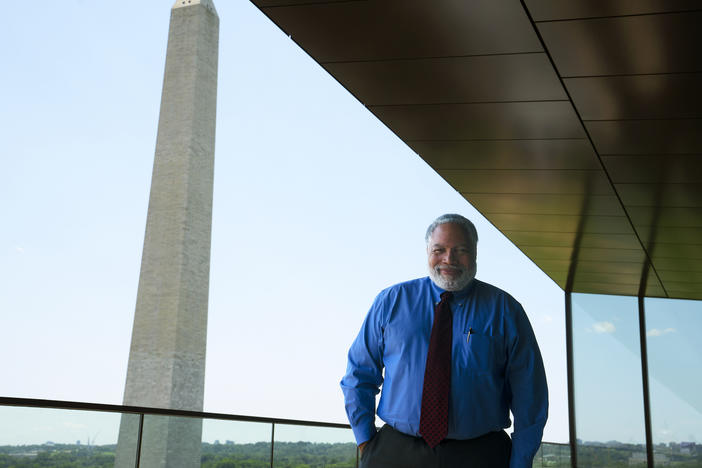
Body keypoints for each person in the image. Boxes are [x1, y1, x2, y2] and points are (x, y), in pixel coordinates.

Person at [340, 214, 548, 468]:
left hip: (481, 455)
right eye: (439, 250)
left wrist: (521, 460)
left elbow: (530, 394)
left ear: (475, 254)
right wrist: (365, 442)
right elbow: (359, 374)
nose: (449, 259)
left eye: (461, 250)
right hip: (394, 452)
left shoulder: (505, 310)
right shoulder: (390, 302)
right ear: (427, 251)